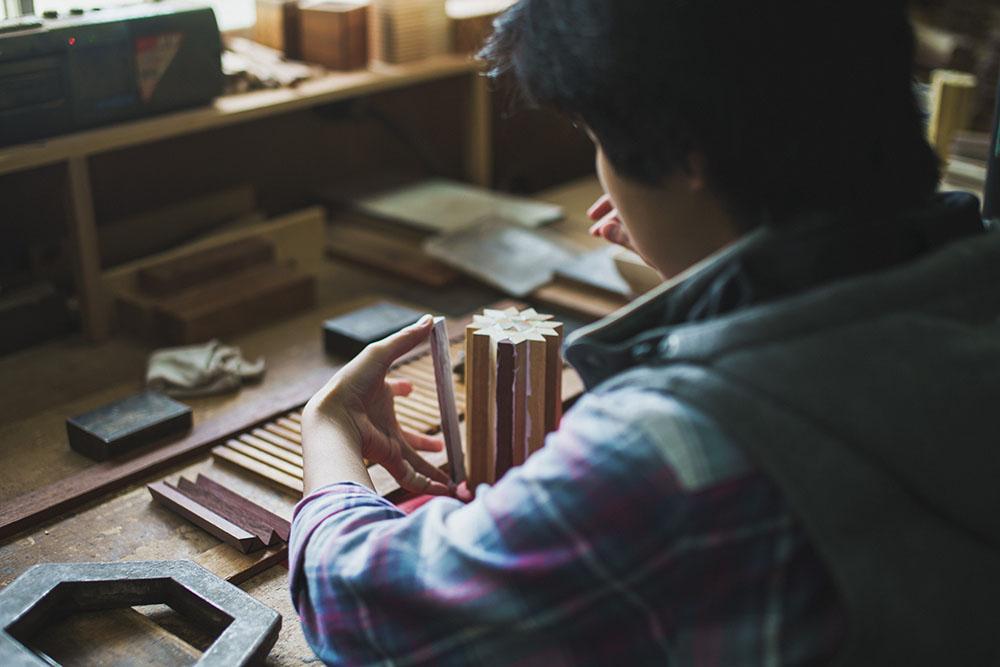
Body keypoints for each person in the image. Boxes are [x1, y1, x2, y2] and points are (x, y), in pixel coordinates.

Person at [290, 1, 1000, 664]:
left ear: (684, 151)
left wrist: (331, 432)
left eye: (598, 140)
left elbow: (363, 604)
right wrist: (706, 246)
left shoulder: (676, 452)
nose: (604, 171)